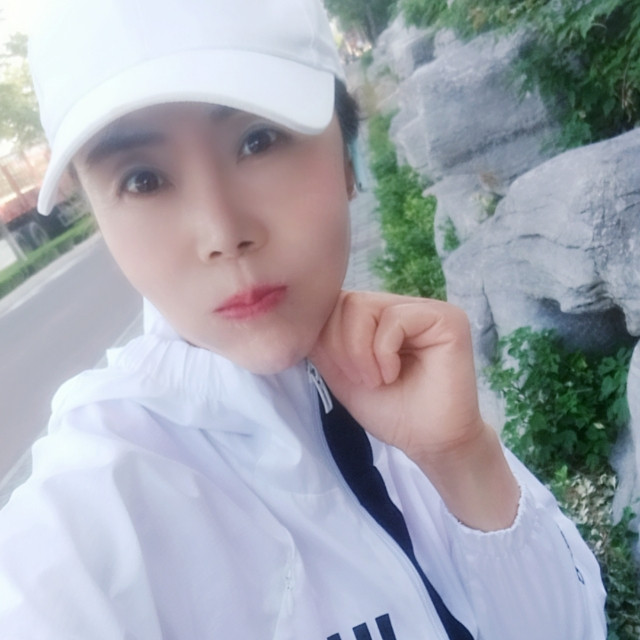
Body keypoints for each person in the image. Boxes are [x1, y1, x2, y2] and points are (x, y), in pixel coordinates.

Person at [0, 0, 606, 638]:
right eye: (144, 179)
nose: (222, 233)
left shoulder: (401, 375)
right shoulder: (94, 508)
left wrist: (463, 460)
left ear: (347, 157)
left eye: (258, 141)